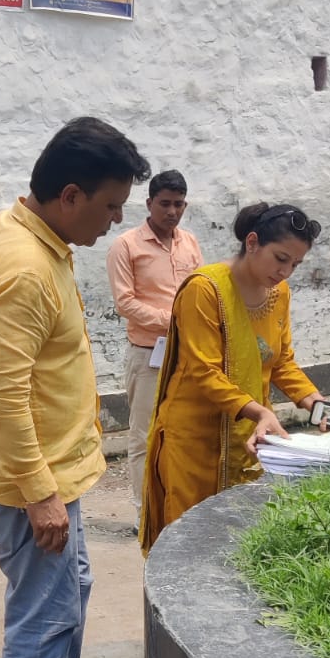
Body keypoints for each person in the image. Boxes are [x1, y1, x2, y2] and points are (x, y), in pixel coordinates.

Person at [0, 117, 150, 658]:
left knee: (71, 597)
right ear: (71, 195)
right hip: (25, 479)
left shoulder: (13, 232)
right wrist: (38, 492)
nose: (116, 221)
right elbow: (2, 393)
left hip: (46, 469)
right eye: (109, 207)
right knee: (43, 616)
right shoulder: (23, 267)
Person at [139, 202, 325, 552]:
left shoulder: (278, 292)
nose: (286, 272)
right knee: (189, 540)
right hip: (194, 439)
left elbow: (280, 361)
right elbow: (203, 371)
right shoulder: (205, 289)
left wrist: (314, 401)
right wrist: (259, 412)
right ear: (252, 242)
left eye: (296, 264)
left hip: (246, 435)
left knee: (240, 539)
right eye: (281, 258)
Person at [106, 169, 204, 514]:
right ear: (149, 203)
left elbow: (199, 292)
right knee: (145, 438)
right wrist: (173, 322)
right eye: (164, 204)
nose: (172, 211)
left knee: (184, 431)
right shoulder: (126, 245)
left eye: (178, 204)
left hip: (187, 354)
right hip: (148, 354)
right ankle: (144, 511)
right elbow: (125, 303)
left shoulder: (189, 242)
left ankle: (179, 505)